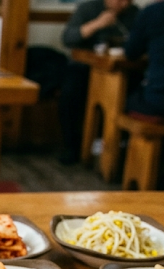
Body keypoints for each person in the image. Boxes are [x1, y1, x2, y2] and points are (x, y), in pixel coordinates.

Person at [57, 0, 139, 165]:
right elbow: (67, 38)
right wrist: (98, 24)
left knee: (134, 94)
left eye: (127, 1)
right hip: (85, 67)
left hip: (123, 70)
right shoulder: (88, 8)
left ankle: (121, 152)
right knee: (69, 94)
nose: (123, 4)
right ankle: (72, 147)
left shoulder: (135, 13)